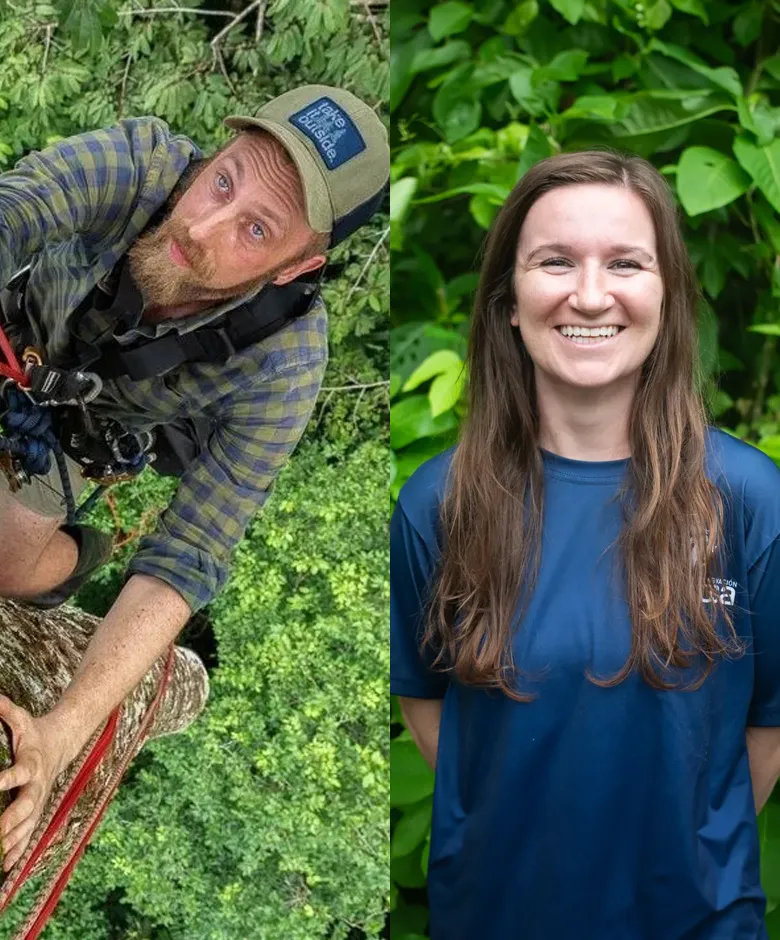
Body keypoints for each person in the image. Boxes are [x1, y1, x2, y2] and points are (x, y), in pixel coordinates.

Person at [391, 150, 780, 939]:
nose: (591, 293)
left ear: (667, 295)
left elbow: (764, 734)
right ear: (509, 299)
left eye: (626, 263)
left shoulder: (749, 498)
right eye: (555, 261)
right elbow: (432, 712)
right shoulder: (440, 503)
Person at [0, 84, 389, 873]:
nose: (200, 227)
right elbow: (19, 206)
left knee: (5, 563)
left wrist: (59, 735)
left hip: (79, 434)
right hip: (16, 342)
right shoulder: (141, 163)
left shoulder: (284, 364)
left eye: (255, 228)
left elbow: (191, 552)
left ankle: (75, 556)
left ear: (300, 264)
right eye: (225, 179)